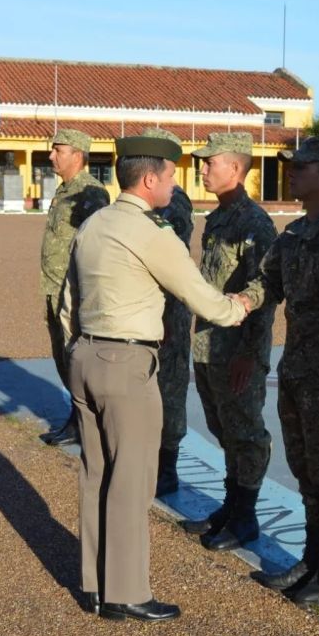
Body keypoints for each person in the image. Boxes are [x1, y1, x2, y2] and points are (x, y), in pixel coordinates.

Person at [60, 135, 247, 622]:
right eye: (169, 176)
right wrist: (240, 306)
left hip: (84, 355)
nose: (175, 184)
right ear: (150, 179)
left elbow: (67, 301)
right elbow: (200, 297)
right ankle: (126, 592)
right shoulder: (151, 232)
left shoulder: (95, 223)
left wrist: (76, 349)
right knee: (131, 481)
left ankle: (98, 586)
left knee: (96, 475)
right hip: (125, 363)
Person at [239, 138, 319, 606]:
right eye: (291, 166)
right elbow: (266, 286)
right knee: (305, 469)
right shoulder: (293, 235)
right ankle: (312, 559)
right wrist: (235, 305)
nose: (292, 172)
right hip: (296, 373)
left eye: (302, 166)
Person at [181, 132, 277, 552]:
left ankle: (246, 517)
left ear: (235, 169)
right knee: (223, 429)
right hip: (208, 345)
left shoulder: (254, 224)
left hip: (236, 352)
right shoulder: (218, 218)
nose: (202, 169)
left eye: (210, 162)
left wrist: (251, 355)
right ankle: (232, 505)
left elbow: (266, 290)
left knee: (246, 434)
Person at [40, 129, 109, 446]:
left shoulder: (90, 193)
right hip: (55, 291)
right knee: (63, 358)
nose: (51, 155)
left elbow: (96, 248)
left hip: (75, 295)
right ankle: (77, 418)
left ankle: (88, 423)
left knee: (79, 360)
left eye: (58, 150)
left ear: (78, 154)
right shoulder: (66, 189)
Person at [139, 127, 195, 497]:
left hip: (169, 311)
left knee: (169, 388)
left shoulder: (172, 200)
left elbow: (170, 259)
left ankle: (168, 466)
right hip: (145, 307)